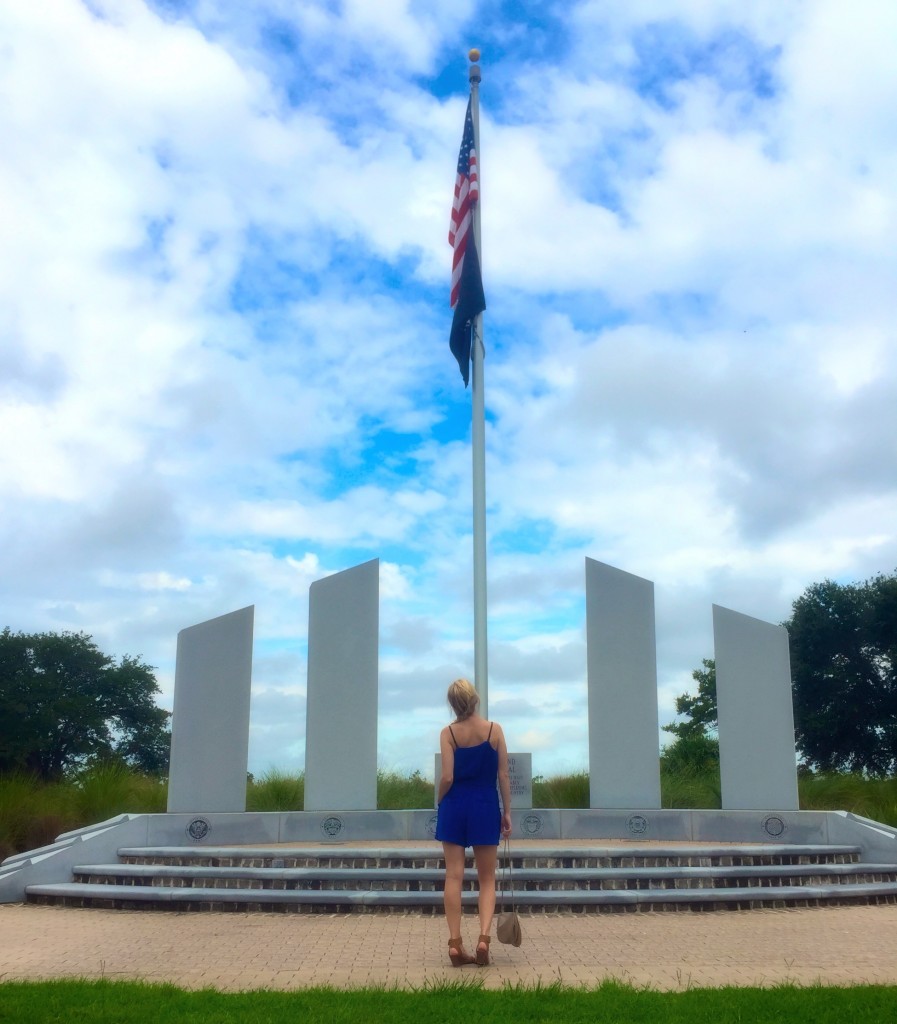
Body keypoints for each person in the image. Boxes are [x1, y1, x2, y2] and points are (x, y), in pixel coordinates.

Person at [435, 677, 512, 967]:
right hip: (484, 804)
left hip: (455, 805)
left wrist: (440, 799)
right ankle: (483, 938)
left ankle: (455, 944)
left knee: (453, 876)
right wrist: (506, 812)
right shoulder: (495, 730)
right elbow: (503, 775)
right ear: (475, 699)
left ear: (453, 704)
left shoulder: (448, 733)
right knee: (487, 878)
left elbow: (447, 777)